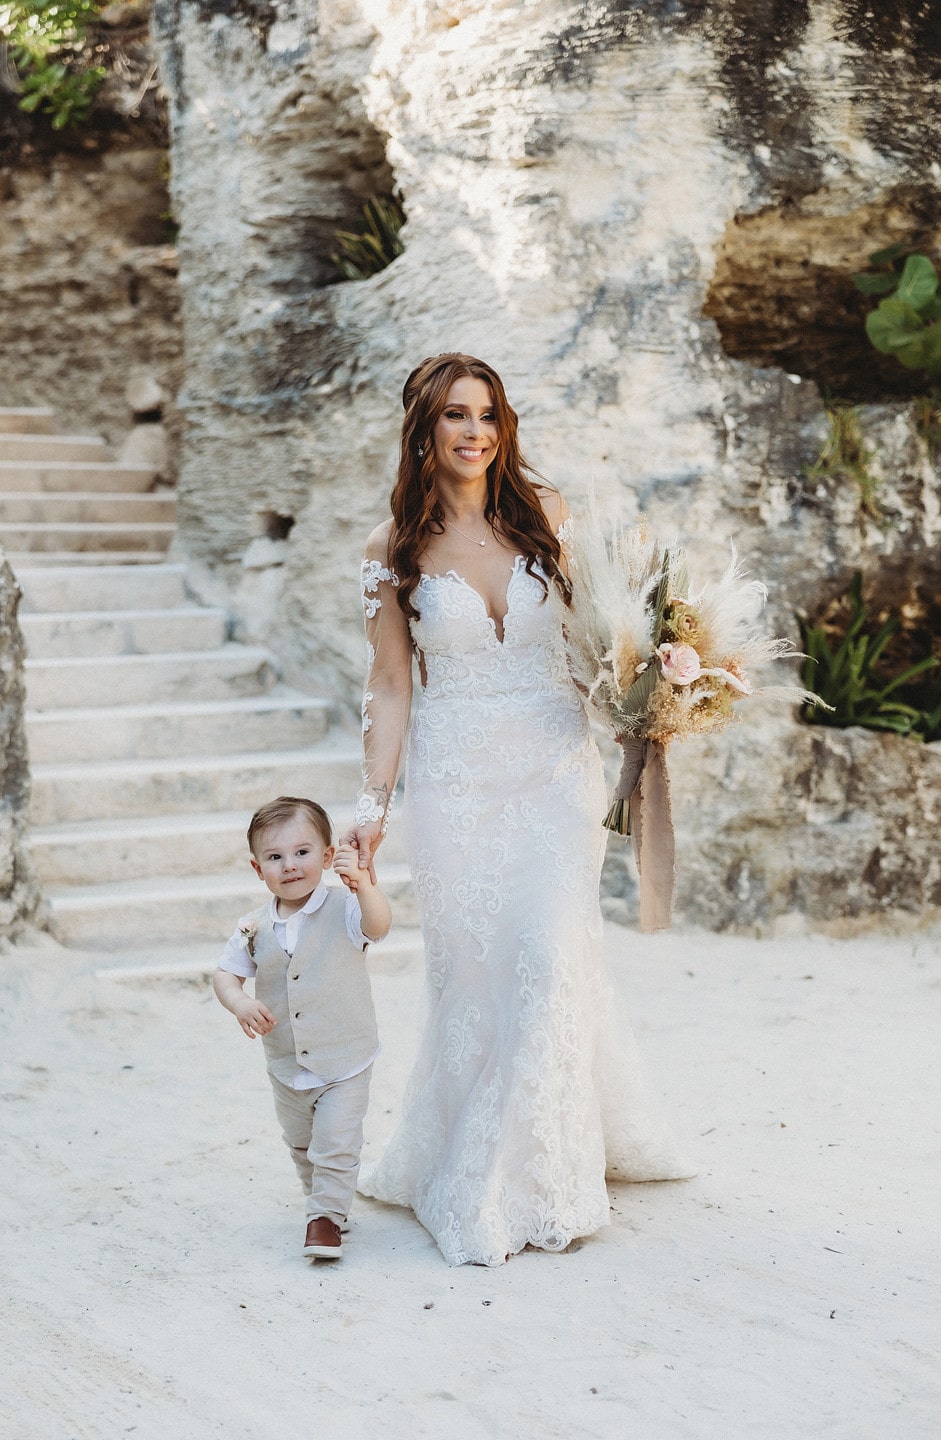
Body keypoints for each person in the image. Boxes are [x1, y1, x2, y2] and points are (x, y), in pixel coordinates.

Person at [346, 353, 692, 1267]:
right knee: (474, 979)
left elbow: (597, 647)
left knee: (548, 954)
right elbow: (390, 686)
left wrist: (649, 701)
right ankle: (468, 1161)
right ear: (424, 429)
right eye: (455, 416)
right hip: (455, 782)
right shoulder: (394, 550)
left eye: (488, 414)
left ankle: (543, 1175)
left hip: (552, 770)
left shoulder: (549, 521)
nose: (474, 432)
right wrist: (371, 807)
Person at [213, 796, 392, 1261]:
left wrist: (364, 884)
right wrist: (239, 1002)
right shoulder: (253, 925)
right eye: (275, 857)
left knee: (336, 1141)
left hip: (344, 1059)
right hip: (286, 1063)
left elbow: (379, 926)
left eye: (302, 852)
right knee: (302, 1143)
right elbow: (225, 973)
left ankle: (325, 1218)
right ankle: (323, 1197)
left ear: (328, 856)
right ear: (258, 869)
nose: (290, 866)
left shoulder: (344, 907)